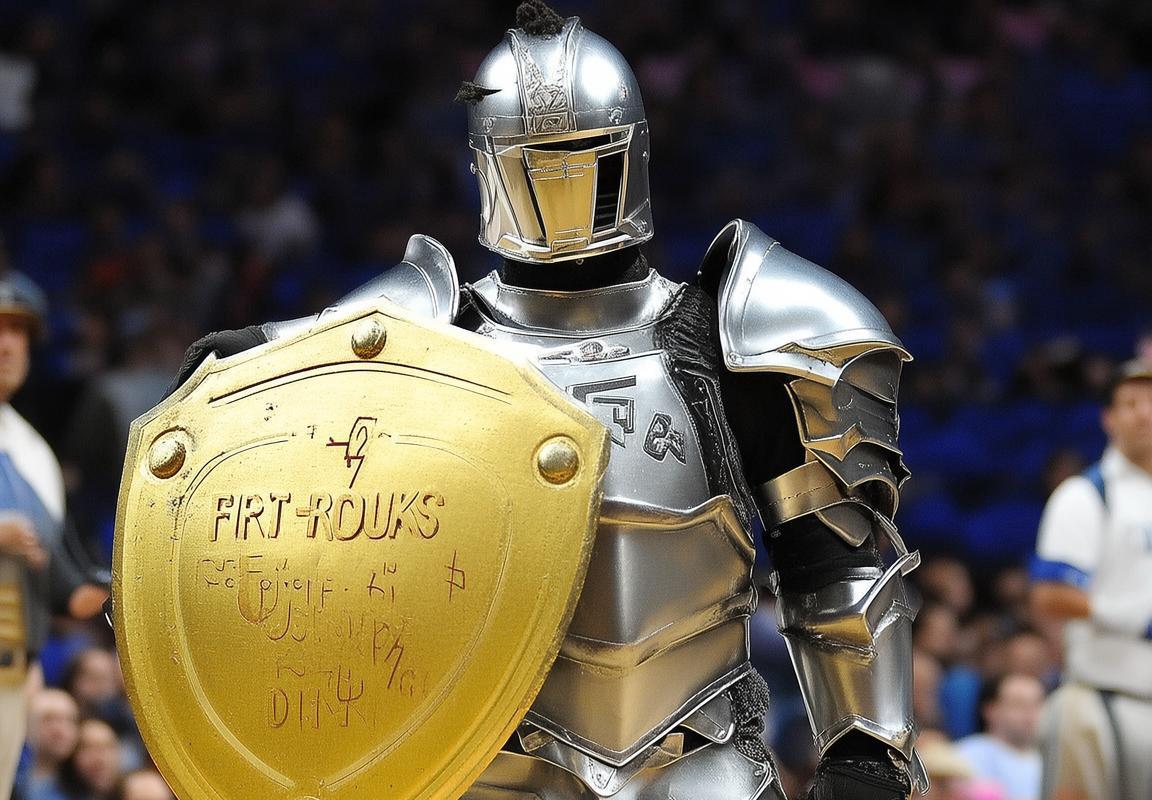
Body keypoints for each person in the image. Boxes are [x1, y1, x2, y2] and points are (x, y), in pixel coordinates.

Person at [164, 2, 924, 797]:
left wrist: (866, 751)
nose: (560, 187)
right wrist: (240, 373)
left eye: (583, 158)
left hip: (697, 764)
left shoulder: (745, 333)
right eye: (534, 162)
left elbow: (833, 562)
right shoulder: (416, 337)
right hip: (478, 766)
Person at [0, 272, 108, 800]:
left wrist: (115, 589)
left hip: (13, 669)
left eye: (19, 332)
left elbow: (63, 579)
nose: (7, 345)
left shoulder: (33, 451)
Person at [1029, 358, 1152, 800]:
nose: (1145, 413)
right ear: (1109, 419)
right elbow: (1048, 596)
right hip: (1102, 699)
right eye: (1131, 404)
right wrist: (1127, 616)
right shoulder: (1086, 494)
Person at [955, 674, 1044, 800]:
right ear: (990, 710)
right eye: (1018, 704)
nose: (1030, 712)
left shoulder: (1050, 760)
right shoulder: (964, 756)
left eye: (1037, 704)